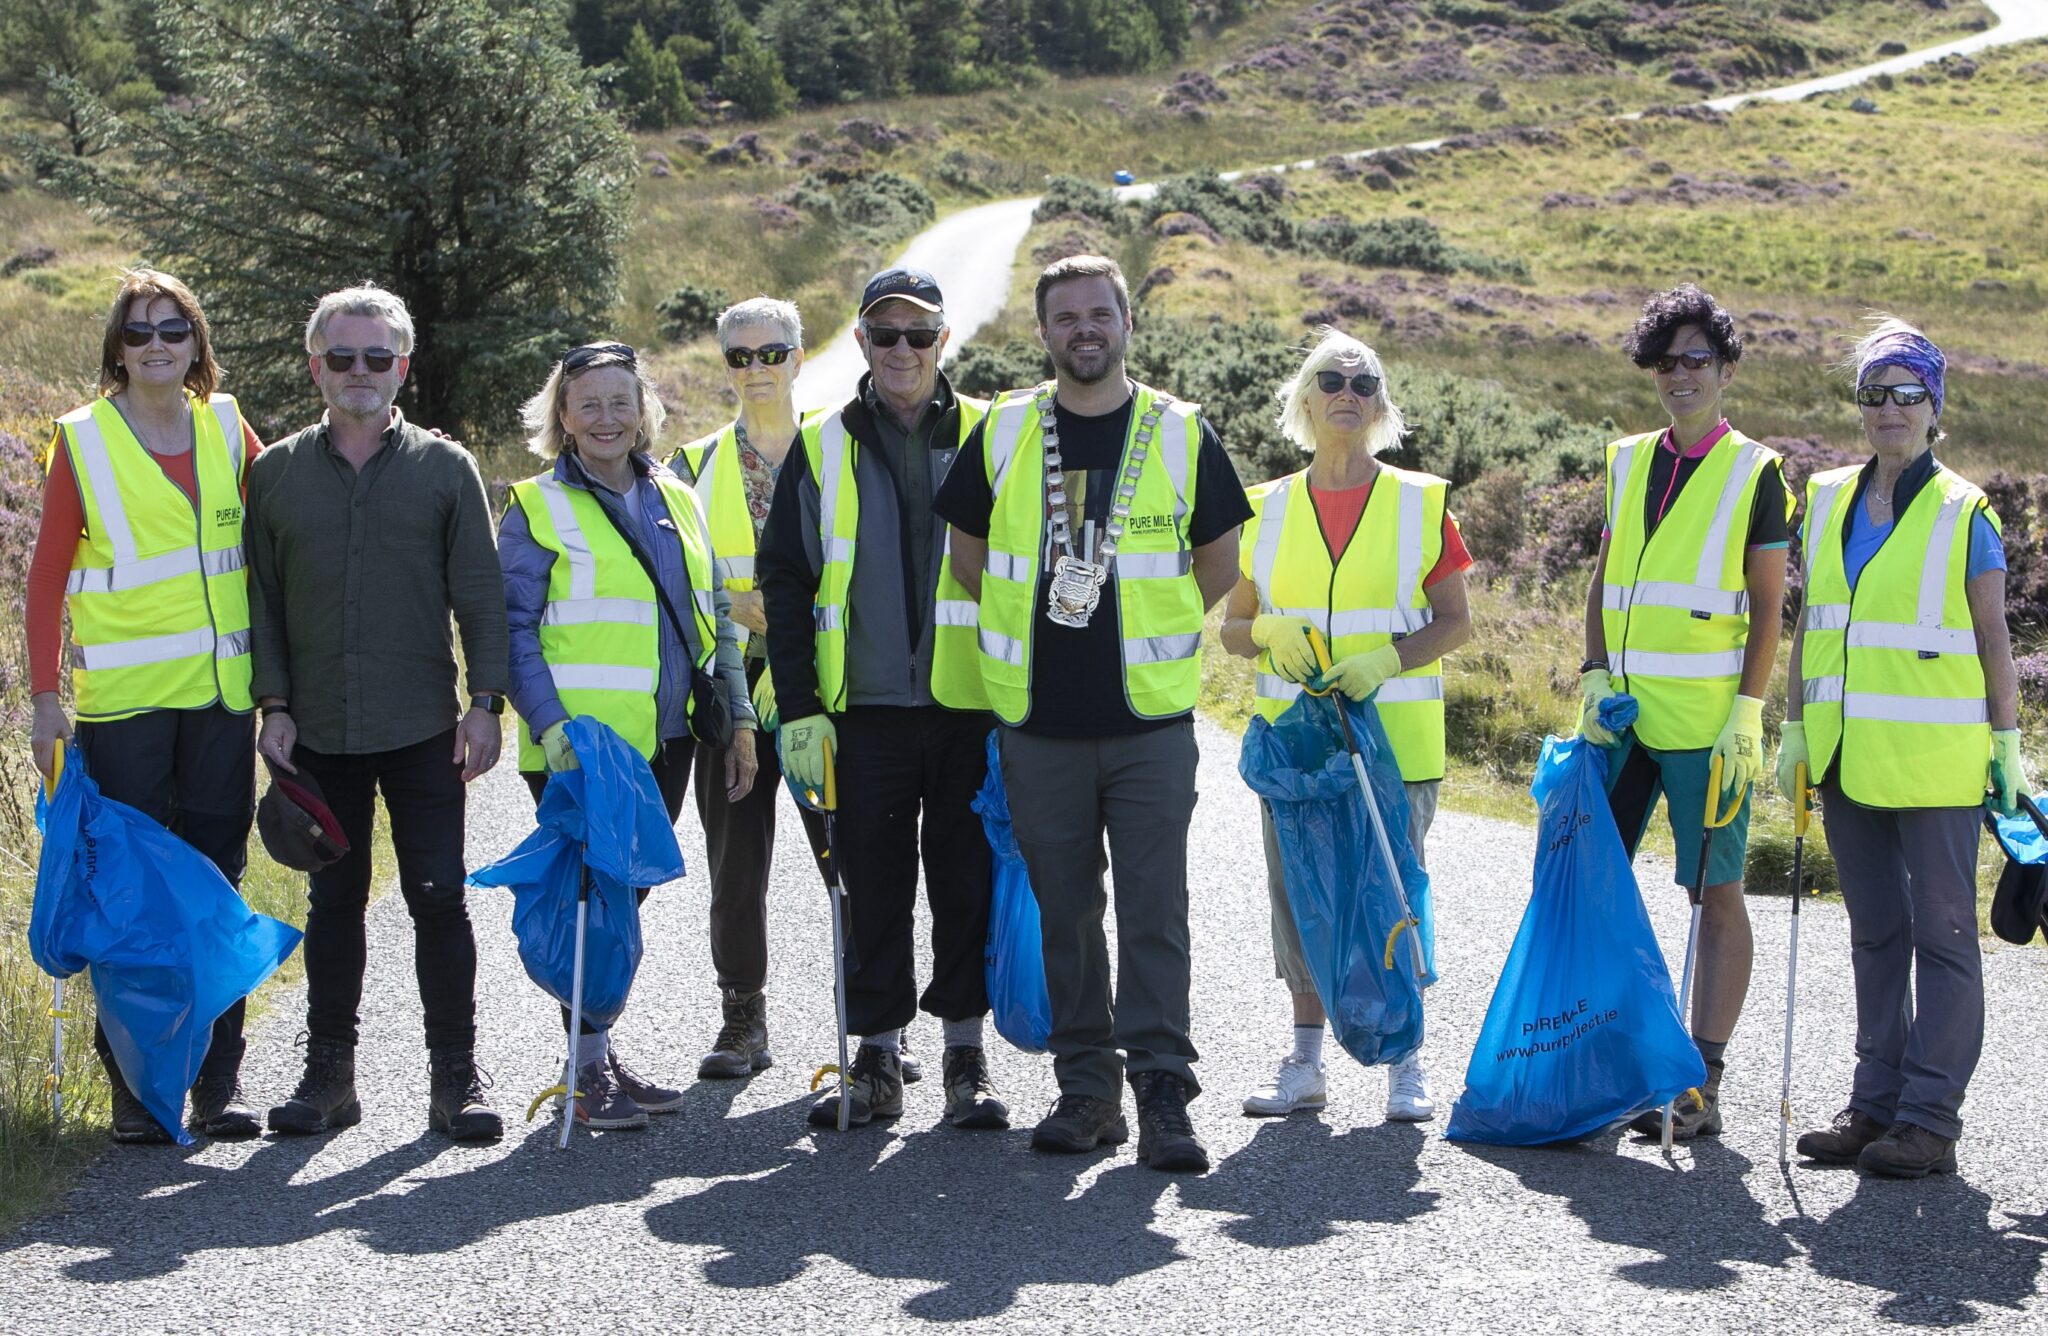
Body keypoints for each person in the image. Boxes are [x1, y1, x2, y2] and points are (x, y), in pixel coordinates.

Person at [938, 255, 1252, 1173]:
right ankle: (1087, 1090)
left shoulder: (1182, 432)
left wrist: (1140, 628)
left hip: (1148, 721)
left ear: (1126, 323)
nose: (1084, 328)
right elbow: (966, 558)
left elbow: (1220, 564)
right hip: (1038, 722)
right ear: (1044, 332)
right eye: (1066, 316)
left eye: (1099, 313)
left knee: (1157, 909)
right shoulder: (1001, 433)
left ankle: (1162, 1091)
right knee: (1065, 910)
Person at [246, 284, 508, 1141]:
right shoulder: (275, 472)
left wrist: (484, 705)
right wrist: (274, 704)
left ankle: (455, 1080)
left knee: (440, 899)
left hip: (423, 727)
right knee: (335, 905)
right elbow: (265, 603)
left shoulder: (446, 469)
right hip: (317, 731)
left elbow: (479, 594)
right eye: (342, 356)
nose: (360, 372)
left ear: (404, 366)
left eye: (379, 357)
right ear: (315, 364)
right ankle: (329, 1079)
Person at [758, 267, 1005, 1131]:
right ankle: (875, 1059)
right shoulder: (822, 445)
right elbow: (785, 582)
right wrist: (798, 709)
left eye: (920, 334)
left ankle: (965, 1061)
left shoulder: (994, 435)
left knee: (966, 881)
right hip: (859, 712)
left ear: (945, 343)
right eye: (885, 333)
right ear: (860, 341)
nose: (903, 349)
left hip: (972, 705)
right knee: (871, 886)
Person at [1783, 319, 2028, 1178]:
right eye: (1874, 393)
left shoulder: (1967, 512)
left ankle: (1929, 1120)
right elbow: (1813, 626)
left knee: (1946, 937)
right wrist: (1793, 728)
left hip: (1937, 765)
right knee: (1876, 936)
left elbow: (1996, 641)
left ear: (1936, 408)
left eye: (1908, 393)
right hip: (1848, 759)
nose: (1889, 409)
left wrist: (2009, 745)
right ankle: (1874, 1104)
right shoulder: (1823, 498)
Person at [27, 269, 267, 1143]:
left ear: (196, 344)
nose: (158, 345)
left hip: (219, 703)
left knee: (215, 887)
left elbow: (271, 538)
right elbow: (46, 575)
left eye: (175, 330)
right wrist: (45, 699)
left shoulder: (225, 427)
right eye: (140, 333)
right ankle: (135, 1093)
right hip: (124, 708)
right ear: (116, 352)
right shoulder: (82, 440)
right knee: (131, 898)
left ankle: (216, 1085)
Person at [500, 340, 757, 1128]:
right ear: (563, 419)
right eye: (589, 405)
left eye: (622, 402)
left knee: (625, 902)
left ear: (645, 410)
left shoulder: (675, 496)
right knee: (590, 906)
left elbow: (712, 618)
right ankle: (584, 1075)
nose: (607, 418)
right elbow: (509, 631)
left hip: (667, 743)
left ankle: (598, 1055)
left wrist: (740, 716)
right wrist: (551, 728)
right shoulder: (534, 506)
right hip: (584, 749)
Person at [1220, 328, 1473, 1123]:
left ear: (1380, 405)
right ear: (1304, 396)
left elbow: (1456, 622)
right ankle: (1304, 1066)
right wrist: (1264, 634)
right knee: (1299, 900)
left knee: (1391, 897)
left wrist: (1387, 662)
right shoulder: (1261, 509)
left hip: (1396, 746)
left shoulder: (1422, 502)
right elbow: (1231, 627)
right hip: (1295, 748)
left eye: (1365, 384)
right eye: (1331, 379)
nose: (1347, 394)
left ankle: (1407, 1065)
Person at [1577, 283, 1793, 1142]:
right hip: (1623, 720)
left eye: (1697, 360)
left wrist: (1751, 711)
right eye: (1666, 363)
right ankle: (1622, 1062)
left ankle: (1702, 1076)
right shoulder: (1628, 459)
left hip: (1708, 726)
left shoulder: (1757, 473)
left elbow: (1771, 609)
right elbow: (1605, 577)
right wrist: (1593, 671)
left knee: (1717, 891)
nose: (1680, 377)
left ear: (1727, 370)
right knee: (1600, 888)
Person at [667, 298, 828, 1081]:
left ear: (801, 356)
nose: (756, 368)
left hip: (823, 691)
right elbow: (664, 576)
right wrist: (731, 603)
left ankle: (874, 1034)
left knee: (853, 862)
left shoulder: (840, 451)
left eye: (771, 352)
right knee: (735, 867)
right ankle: (743, 1022)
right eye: (739, 356)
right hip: (730, 697)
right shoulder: (690, 467)